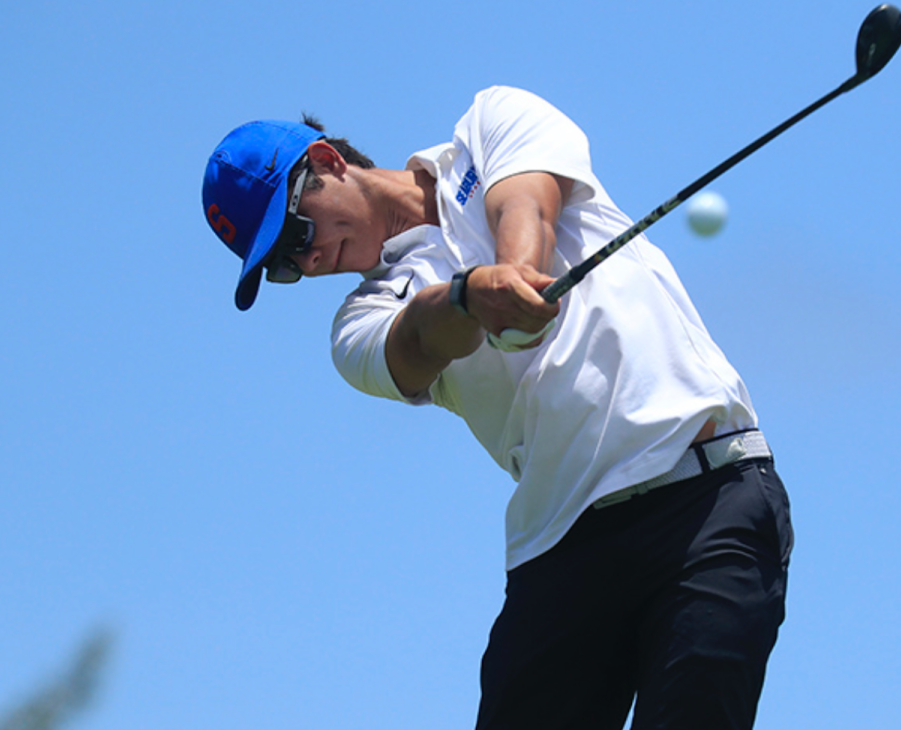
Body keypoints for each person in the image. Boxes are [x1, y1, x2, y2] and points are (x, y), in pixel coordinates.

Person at [201, 86, 793, 730]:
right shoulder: (357, 325)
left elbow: (527, 205)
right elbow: (419, 339)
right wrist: (466, 299)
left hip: (706, 499)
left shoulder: (491, 123)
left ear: (328, 161)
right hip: (560, 550)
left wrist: (512, 274)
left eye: (296, 230)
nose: (307, 257)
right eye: (283, 264)